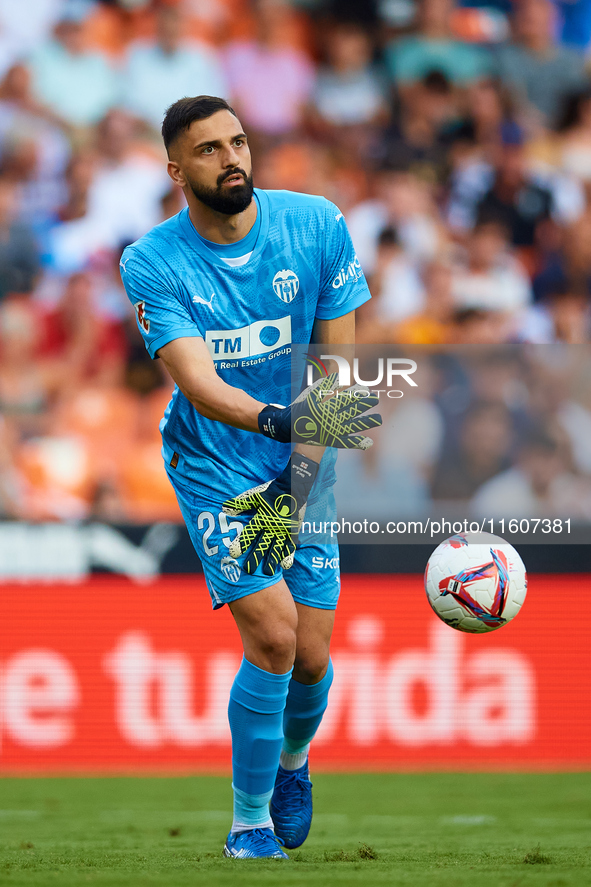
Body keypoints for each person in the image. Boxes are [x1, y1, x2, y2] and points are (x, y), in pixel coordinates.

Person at [119, 95, 381, 860]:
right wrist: (279, 422)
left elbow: (337, 382)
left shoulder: (316, 225)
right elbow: (199, 383)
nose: (232, 158)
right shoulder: (151, 260)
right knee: (272, 636)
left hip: (305, 462)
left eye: (238, 142)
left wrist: (293, 482)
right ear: (176, 170)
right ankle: (248, 821)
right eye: (209, 149)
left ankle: (294, 763)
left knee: (311, 655)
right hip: (214, 461)